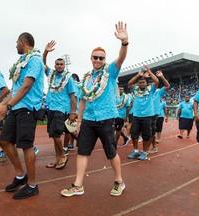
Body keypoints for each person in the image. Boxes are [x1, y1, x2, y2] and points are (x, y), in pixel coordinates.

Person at [61, 21, 128, 197]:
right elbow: (82, 100)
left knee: (111, 152)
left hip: (106, 119)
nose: (98, 60)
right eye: (95, 57)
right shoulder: (86, 79)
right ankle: (78, 185)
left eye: (101, 58)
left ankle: (119, 181)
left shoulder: (110, 72)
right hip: (89, 120)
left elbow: (121, 58)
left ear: (104, 60)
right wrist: (80, 121)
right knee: (82, 152)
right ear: (91, 58)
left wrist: (124, 41)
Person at [0, 32, 44, 199]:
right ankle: (21, 175)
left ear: (22, 42)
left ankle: (33, 185)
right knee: (4, 140)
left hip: (28, 108)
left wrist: (8, 106)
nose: (15, 46)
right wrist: (2, 105)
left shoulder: (34, 60)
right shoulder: (21, 62)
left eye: (16, 43)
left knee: (26, 145)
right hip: (16, 107)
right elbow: (15, 90)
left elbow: (26, 87)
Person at [42, 41, 76, 169]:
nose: (59, 66)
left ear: (64, 65)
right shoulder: (50, 74)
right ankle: (57, 159)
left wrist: (73, 112)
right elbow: (43, 63)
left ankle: (62, 156)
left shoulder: (68, 78)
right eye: (57, 64)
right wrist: (46, 52)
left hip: (61, 109)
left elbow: (73, 96)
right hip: (50, 107)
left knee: (56, 134)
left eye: (62, 64)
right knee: (53, 135)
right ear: (55, 65)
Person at [127, 67, 159, 160]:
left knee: (146, 135)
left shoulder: (151, 89)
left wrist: (149, 72)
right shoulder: (135, 90)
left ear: (146, 83)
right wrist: (138, 75)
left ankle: (144, 152)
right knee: (134, 134)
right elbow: (130, 83)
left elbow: (156, 81)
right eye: (140, 82)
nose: (142, 84)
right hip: (136, 115)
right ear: (138, 84)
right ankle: (136, 151)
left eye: (143, 82)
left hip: (147, 116)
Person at [148, 70, 170, 153]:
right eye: (150, 84)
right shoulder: (146, 91)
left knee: (151, 132)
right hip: (145, 114)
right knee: (148, 133)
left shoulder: (158, 92)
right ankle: (152, 147)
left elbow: (167, 86)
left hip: (154, 114)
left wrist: (162, 77)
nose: (152, 86)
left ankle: (148, 149)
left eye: (153, 84)